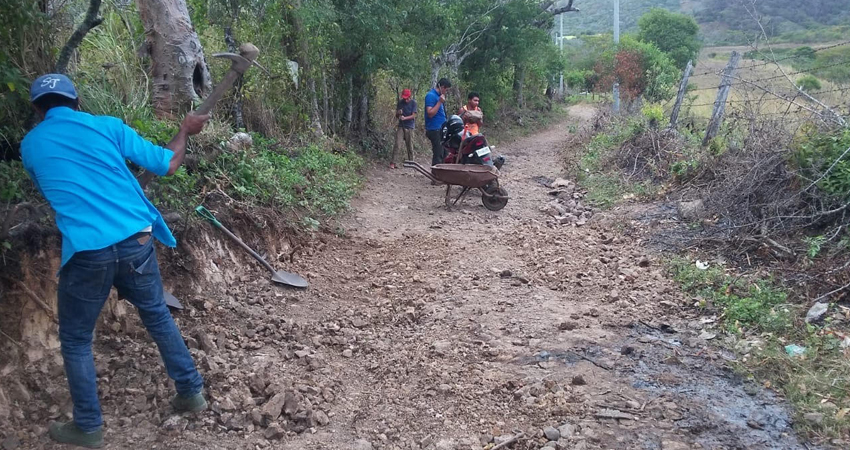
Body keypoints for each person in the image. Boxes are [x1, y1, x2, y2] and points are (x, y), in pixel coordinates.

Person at [20, 73, 210, 448]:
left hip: (88, 251)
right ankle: (191, 392)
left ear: (39, 110)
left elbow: (51, 188)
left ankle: (89, 427)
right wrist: (185, 130)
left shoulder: (31, 144)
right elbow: (168, 165)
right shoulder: (107, 127)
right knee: (156, 313)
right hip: (136, 240)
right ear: (77, 102)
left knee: (75, 339)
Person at [424, 78, 451, 168]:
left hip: (442, 128)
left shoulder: (438, 96)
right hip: (434, 128)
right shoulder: (431, 96)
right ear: (442, 87)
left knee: (444, 152)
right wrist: (439, 102)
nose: (446, 92)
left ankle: (441, 173)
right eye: (446, 90)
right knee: (438, 153)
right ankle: (435, 175)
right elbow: (430, 113)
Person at [389, 88, 417, 169]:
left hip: (410, 127)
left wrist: (405, 118)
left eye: (407, 98)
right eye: (404, 98)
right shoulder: (400, 103)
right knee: (397, 144)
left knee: (410, 145)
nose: (406, 100)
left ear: (409, 97)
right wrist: (399, 113)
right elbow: (397, 115)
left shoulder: (413, 103)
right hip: (401, 126)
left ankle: (411, 162)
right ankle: (393, 162)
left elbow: (414, 115)